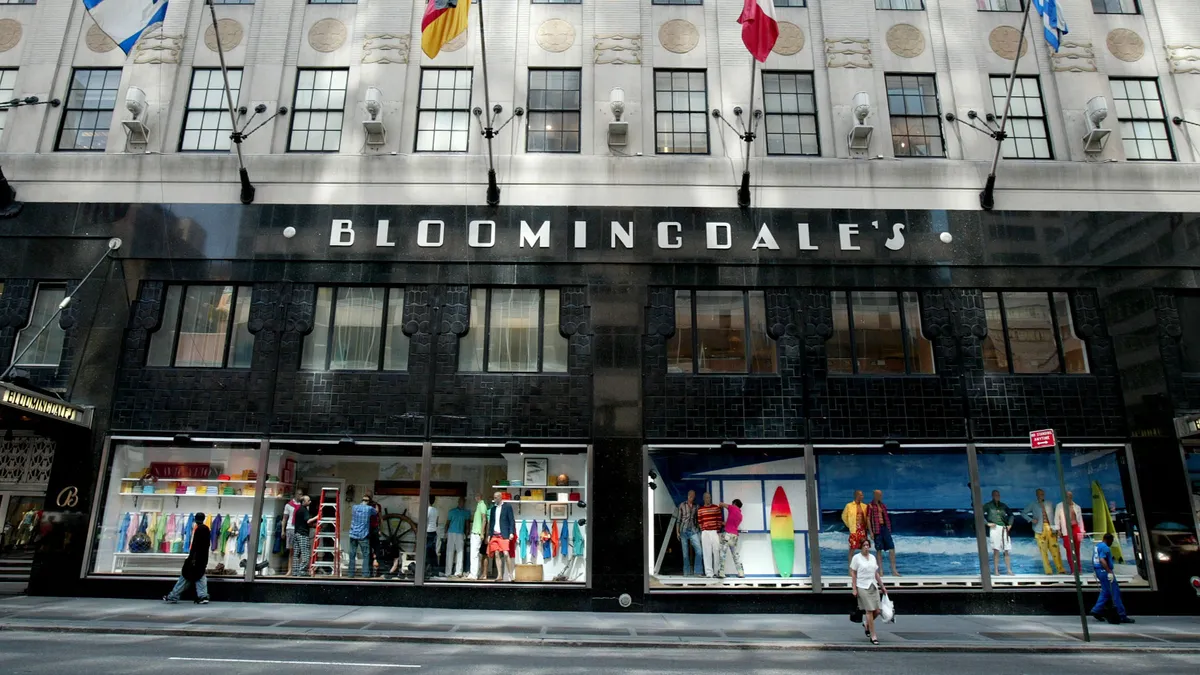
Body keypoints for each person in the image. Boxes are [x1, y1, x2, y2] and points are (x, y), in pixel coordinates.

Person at [163, 513, 211, 604]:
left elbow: (195, 546)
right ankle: (203, 596)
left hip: (195, 558)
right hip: (203, 558)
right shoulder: (206, 529)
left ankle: (174, 595)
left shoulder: (199, 530)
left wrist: (192, 558)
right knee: (200, 576)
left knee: (185, 576)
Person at [850, 538, 888, 645]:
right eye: (864, 545)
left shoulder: (872, 557)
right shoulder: (856, 558)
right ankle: (873, 635)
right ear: (861, 547)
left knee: (877, 610)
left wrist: (882, 586)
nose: (866, 547)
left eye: (868, 545)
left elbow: (875, 573)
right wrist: (854, 588)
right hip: (862, 586)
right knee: (869, 611)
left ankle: (866, 624)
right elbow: (853, 573)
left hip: (873, 586)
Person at [1091, 533, 1134, 623]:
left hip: (1099, 571)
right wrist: (1109, 572)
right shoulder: (1105, 548)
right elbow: (1102, 559)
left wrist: (1095, 569)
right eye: (1112, 541)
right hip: (1105, 571)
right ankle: (1121, 615)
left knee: (1105, 592)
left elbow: (1095, 558)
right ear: (1109, 540)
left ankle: (1097, 610)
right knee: (1115, 593)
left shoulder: (1097, 546)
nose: (1111, 543)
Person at [1022, 488, 1065, 575]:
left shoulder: (1049, 503)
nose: (1041, 495)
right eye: (1040, 494)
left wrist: (1057, 529)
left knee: (1055, 550)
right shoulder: (1033, 504)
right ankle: (1048, 571)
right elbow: (1023, 513)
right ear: (1037, 495)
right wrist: (1031, 520)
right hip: (1039, 529)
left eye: (1042, 494)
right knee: (1043, 551)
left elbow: (1054, 517)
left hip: (1050, 528)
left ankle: (1060, 570)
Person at [867, 490, 899, 577]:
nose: (880, 496)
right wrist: (871, 532)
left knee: (891, 548)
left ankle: (894, 570)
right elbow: (868, 519)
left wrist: (888, 529)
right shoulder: (870, 506)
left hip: (884, 528)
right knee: (879, 550)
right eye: (878, 495)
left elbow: (886, 518)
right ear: (875, 495)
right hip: (877, 529)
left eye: (881, 495)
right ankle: (880, 571)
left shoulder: (882, 505)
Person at [486, 492, 516, 581]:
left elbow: (511, 520)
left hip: (504, 534)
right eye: (494, 497)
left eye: (496, 497)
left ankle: (511, 574)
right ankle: (499, 575)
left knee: (506, 554)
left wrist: (511, 532)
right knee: (496, 554)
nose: (495, 499)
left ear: (500, 497)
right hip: (495, 534)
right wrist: (489, 535)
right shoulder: (493, 509)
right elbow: (491, 523)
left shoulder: (507, 507)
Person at [983, 490, 1014, 576]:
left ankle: (1009, 570)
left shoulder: (1003, 505)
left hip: (1004, 528)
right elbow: (979, 514)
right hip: (995, 528)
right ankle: (996, 571)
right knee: (996, 550)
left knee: (1006, 549)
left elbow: (1011, 515)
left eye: (998, 495)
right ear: (992, 496)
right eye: (996, 495)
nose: (997, 496)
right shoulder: (988, 505)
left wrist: (1010, 524)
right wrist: (987, 523)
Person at [1055, 491, 1086, 575]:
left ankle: (1079, 570)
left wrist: (1082, 531)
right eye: (1067, 496)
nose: (1068, 497)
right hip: (1066, 529)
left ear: (1071, 496)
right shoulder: (1060, 506)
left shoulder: (1077, 507)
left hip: (1076, 528)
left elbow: (1080, 520)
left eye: (1070, 496)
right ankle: (1073, 570)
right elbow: (1057, 519)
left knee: (1077, 550)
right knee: (1069, 550)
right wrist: (1058, 530)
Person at [696, 492, 724, 579]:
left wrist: (718, 530)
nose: (708, 499)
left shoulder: (716, 508)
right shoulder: (700, 510)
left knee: (716, 551)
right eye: (707, 498)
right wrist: (703, 529)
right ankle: (709, 573)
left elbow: (719, 519)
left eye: (709, 497)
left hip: (714, 531)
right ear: (704, 498)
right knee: (706, 552)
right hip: (705, 532)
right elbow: (700, 522)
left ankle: (716, 572)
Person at [347, 494, 374, 578]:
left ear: (362, 500)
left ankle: (350, 574)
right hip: (363, 535)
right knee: (366, 555)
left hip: (353, 534)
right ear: (368, 502)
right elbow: (376, 512)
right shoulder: (369, 508)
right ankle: (365, 574)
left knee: (352, 554)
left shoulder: (354, 507)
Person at [675, 490, 701, 576]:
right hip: (684, 530)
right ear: (688, 495)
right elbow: (678, 520)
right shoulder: (682, 505)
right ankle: (686, 573)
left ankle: (697, 571)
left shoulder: (696, 506)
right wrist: (677, 532)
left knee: (699, 551)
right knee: (685, 554)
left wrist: (699, 530)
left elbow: (698, 519)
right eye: (690, 495)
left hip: (693, 530)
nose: (691, 497)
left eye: (693, 496)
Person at [717, 499, 745, 579]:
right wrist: (723, 523)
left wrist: (720, 505)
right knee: (735, 555)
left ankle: (721, 573)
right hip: (734, 536)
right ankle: (741, 572)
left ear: (734, 504)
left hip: (727, 535)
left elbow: (722, 504)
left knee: (723, 554)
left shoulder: (733, 508)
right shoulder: (740, 515)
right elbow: (731, 524)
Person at [290, 495, 317, 577]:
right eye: (308, 500)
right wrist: (317, 517)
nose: (310, 502)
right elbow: (308, 521)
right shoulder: (304, 510)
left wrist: (313, 526)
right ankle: (302, 571)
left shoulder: (298, 510)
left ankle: (295, 571)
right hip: (303, 534)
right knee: (305, 554)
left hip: (297, 533)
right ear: (303, 502)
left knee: (296, 554)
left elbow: (303, 523)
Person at [445, 496, 471, 578]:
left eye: (463, 502)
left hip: (460, 533)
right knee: (450, 552)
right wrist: (445, 534)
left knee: (460, 553)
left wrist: (467, 534)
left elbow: (467, 524)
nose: (462, 503)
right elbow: (447, 523)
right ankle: (448, 572)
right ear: (458, 502)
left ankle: (458, 572)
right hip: (451, 532)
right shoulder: (452, 511)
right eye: (461, 501)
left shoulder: (466, 512)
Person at [841, 490, 869, 567]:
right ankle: (851, 569)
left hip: (863, 530)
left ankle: (863, 567)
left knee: (864, 549)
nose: (862, 496)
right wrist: (850, 525)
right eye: (861, 495)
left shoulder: (864, 506)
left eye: (862, 495)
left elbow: (867, 518)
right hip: (854, 530)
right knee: (852, 549)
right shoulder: (849, 505)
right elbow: (844, 516)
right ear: (857, 496)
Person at [468, 493, 488, 580]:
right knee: (474, 554)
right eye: (476, 496)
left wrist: (482, 532)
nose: (476, 497)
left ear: (481, 497)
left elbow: (484, 519)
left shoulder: (482, 505)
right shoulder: (479, 505)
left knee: (474, 554)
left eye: (478, 496)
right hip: (475, 532)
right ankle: (473, 573)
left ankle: (474, 574)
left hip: (477, 533)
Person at [282, 492, 301, 576]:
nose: (300, 496)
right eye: (299, 494)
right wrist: (283, 530)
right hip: (290, 528)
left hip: (300, 529)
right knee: (291, 551)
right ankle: (290, 569)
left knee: (299, 550)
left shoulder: (303, 505)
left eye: (301, 494)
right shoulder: (288, 505)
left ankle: (298, 569)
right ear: (295, 495)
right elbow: (284, 518)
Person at [425, 495, 440, 578]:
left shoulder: (427, 510)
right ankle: (433, 568)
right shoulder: (436, 510)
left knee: (427, 551)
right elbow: (437, 522)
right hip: (434, 531)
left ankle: (427, 568)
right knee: (432, 551)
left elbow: (425, 521)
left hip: (427, 532)